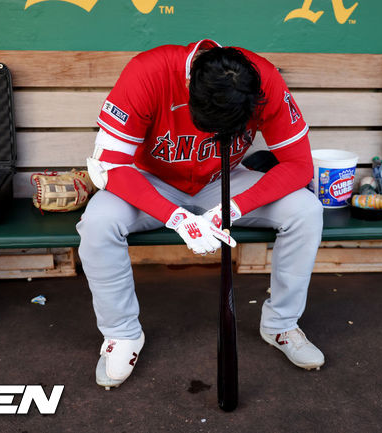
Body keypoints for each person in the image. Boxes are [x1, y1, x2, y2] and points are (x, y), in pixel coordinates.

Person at [77, 39, 324, 390]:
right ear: (190, 88)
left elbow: (300, 166)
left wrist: (235, 207)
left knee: (306, 210)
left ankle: (281, 325)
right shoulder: (149, 71)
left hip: (224, 179)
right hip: (152, 181)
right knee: (98, 222)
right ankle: (123, 335)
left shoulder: (263, 78)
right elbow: (111, 164)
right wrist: (176, 217)